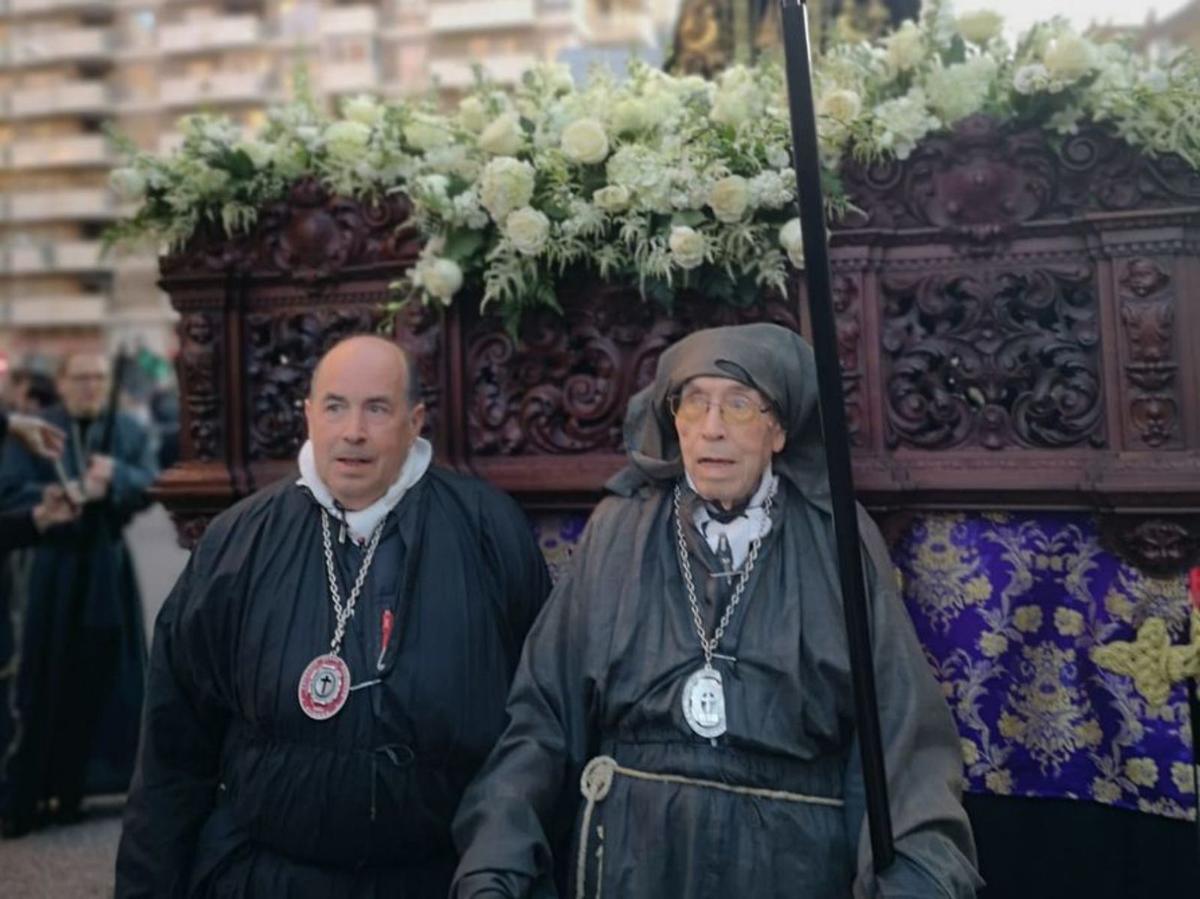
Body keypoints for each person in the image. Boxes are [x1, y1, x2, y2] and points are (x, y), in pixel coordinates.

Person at [451, 323, 981, 898]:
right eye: (694, 403)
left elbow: (903, 736)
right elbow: (541, 716)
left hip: (787, 866)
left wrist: (915, 879)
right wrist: (496, 862)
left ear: (778, 428)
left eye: (738, 405)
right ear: (672, 420)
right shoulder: (618, 530)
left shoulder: (838, 540)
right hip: (633, 860)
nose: (711, 429)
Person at [116, 334, 552, 897]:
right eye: (335, 406)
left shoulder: (488, 531)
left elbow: (538, 723)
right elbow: (173, 747)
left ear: (414, 420)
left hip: (437, 877)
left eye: (377, 408)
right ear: (308, 416)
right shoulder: (240, 541)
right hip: (269, 876)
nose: (353, 431)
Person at [0, 352, 157, 837]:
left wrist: (117, 479)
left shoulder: (125, 428)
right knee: (43, 675)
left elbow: (150, 481)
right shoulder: (38, 429)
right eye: (81, 377)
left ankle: (80, 789)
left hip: (107, 566)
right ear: (63, 383)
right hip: (50, 567)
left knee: (104, 672)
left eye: (98, 377)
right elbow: (8, 491)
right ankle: (29, 794)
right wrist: (47, 505)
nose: (90, 386)